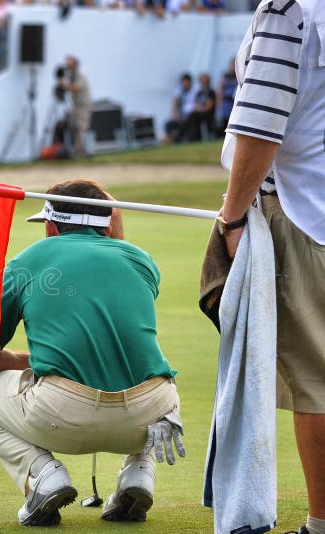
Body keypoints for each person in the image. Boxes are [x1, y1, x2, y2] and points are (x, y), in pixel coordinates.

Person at [0, 179, 185, 527]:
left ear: (51, 225)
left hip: (62, 418)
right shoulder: (141, 261)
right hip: (149, 417)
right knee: (158, 378)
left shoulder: (30, 260)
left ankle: (44, 475)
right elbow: (110, 322)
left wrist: (22, 361)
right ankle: (139, 473)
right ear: (110, 221)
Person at [215, 2, 325, 533]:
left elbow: (261, 125)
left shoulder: (289, 9)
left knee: (316, 382)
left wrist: (232, 218)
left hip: (305, 213)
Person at [56, 55, 91, 158]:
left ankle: (81, 152)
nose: (67, 65)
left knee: (81, 128)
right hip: (75, 106)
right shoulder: (71, 76)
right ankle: (76, 151)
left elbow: (76, 88)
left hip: (83, 106)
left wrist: (64, 85)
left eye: (69, 63)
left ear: (75, 64)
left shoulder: (81, 75)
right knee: (73, 127)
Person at [184, 72, 215, 142]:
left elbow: (208, 107)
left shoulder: (211, 92)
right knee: (191, 116)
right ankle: (193, 136)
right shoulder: (199, 93)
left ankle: (193, 137)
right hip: (200, 113)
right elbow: (196, 104)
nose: (204, 83)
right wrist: (199, 108)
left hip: (208, 114)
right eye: (202, 81)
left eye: (205, 81)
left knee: (193, 116)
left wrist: (200, 109)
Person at [165, 73, 196, 143]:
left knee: (188, 122)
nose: (185, 84)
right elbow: (176, 101)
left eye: (186, 82)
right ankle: (173, 141)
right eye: (184, 82)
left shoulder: (195, 90)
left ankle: (185, 139)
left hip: (191, 115)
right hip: (182, 116)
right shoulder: (179, 90)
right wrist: (175, 113)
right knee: (168, 124)